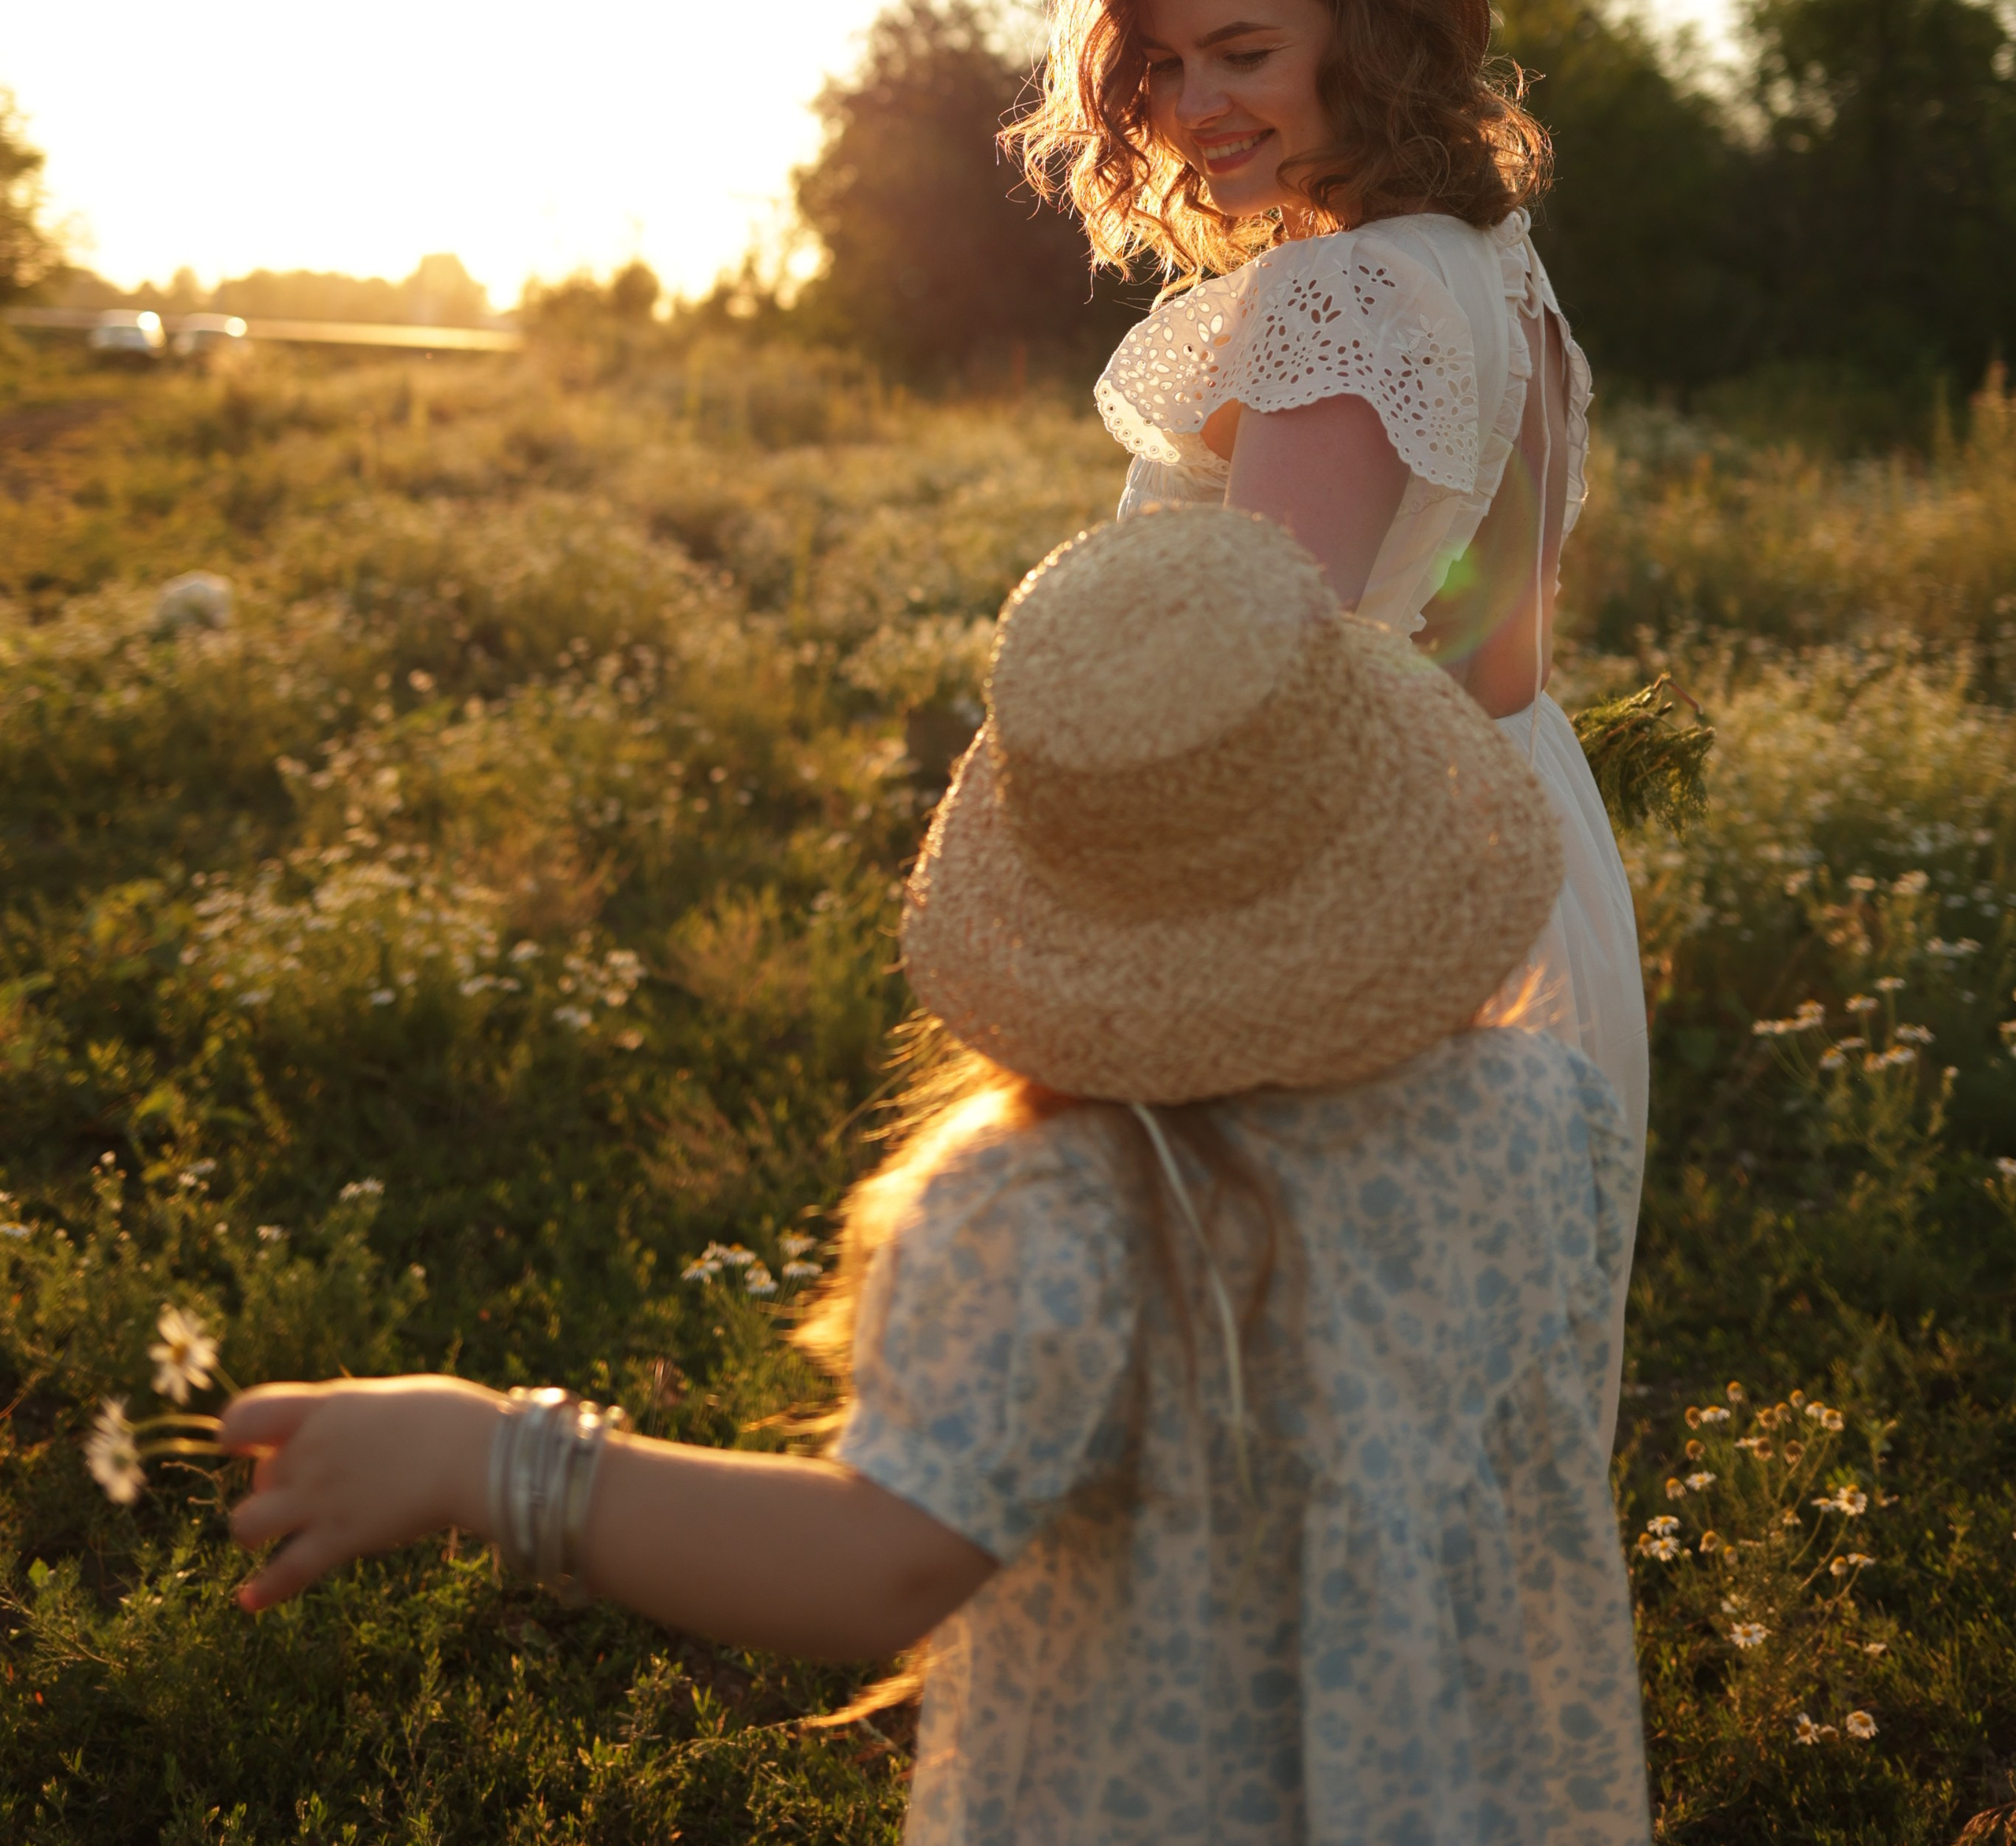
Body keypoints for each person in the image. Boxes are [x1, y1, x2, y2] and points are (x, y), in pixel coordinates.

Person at [220, 508, 1651, 1845]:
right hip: (1466, 1784)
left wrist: (495, 1456)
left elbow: (879, 1564)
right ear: (1390, 841)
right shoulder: (1545, 1112)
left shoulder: (1065, 1214)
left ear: (1057, 898)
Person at [1009, 0, 1647, 1441]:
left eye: (1243, 50)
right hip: (1523, 853)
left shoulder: (1342, 292)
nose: (1190, 103)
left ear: (1358, 41)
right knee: (1464, 1439)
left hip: (1351, 908)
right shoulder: (1493, 263)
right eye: (1157, 62)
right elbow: (1496, 655)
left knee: (1302, 1443)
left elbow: (1257, 702)